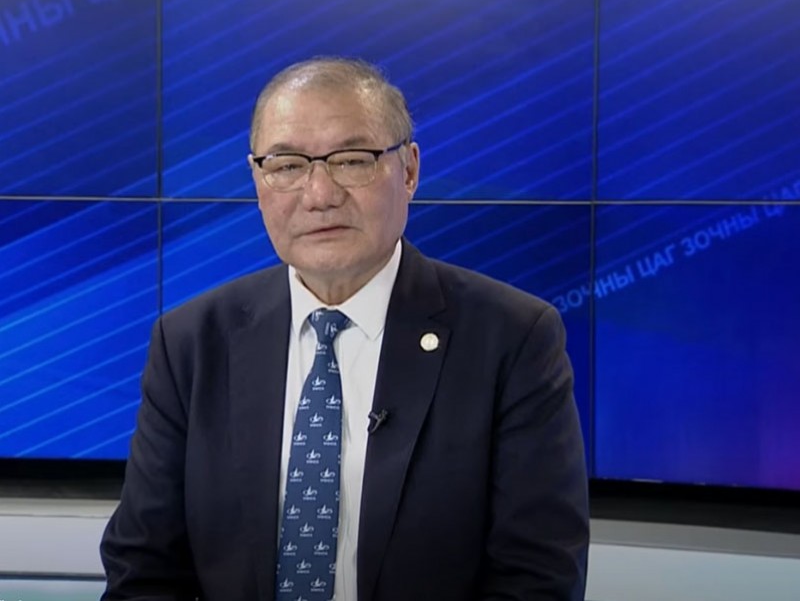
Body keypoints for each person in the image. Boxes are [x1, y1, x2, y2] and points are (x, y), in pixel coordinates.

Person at [100, 56, 589, 601]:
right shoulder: (190, 343)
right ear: (258, 181)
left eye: (352, 160)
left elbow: (538, 581)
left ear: (409, 170)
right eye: (287, 165)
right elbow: (143, 573)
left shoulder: (513, 339)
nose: (319, 194)